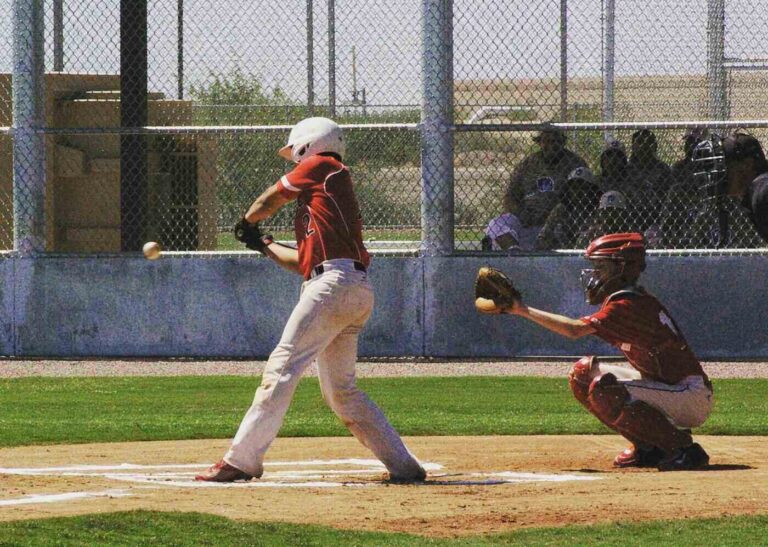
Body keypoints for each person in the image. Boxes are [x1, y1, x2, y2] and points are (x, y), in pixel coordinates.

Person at [196, 117, 426, 483]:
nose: (295, 162)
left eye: (296, 153)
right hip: (348, 288)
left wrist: (247, 219)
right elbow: (303, 264)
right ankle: (404, 466)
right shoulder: (322, 200)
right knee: (342, 392)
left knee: (282, 367)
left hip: (335, 285)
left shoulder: (324, 165)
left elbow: (269, 199)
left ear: (309, 144)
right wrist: (264, 243)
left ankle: (241, 460)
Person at [478, 232, 714, 471]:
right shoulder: (625, 300)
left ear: (622, 269)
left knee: (605, 389)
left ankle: (683, 449)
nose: (595, 274)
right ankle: (650, 447)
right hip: (668, 388)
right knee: (583, 373)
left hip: (689, 394)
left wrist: (521, 309)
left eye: (602, 267)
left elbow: (573, 330)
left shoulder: (628, 305)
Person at [683, 132, 766, 249]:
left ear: (748, 164)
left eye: (725, 167)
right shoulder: (753, 193)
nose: (717, 175)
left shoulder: (762, 191)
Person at [503, 126, 587, 222]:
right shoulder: (528, 163)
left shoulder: (574, 163)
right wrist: (520, 213)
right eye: (547, 141)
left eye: (556, 141)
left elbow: (585, 195)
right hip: (528, 214)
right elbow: (511, 194)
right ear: (539, 143)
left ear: (563, 143)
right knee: (499, 222)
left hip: (562, 217)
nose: (552, 145)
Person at [659, 128, 708, 248]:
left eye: (695, 142)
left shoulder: (709, 165)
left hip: (703, 203)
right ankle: (670, 235)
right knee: (675, 191)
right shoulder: (679, 167)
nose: (690, 145)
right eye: (689, 141)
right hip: (682, 205)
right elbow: (676, 189)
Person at [536, 167, 602, 250]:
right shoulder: (560, 209)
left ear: (592, 190)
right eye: (574, 188)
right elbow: (543, 236)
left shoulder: (599, 210)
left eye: (583, 188)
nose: (578, 192)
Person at [626, 129, 673, 229]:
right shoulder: (626, 169)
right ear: (633, 146)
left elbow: (668, 193)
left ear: (655, 146)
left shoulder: (663, 169)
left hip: (656, 213)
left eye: (649, 142)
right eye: (639, 142)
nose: (644, 146)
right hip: (630, 214)